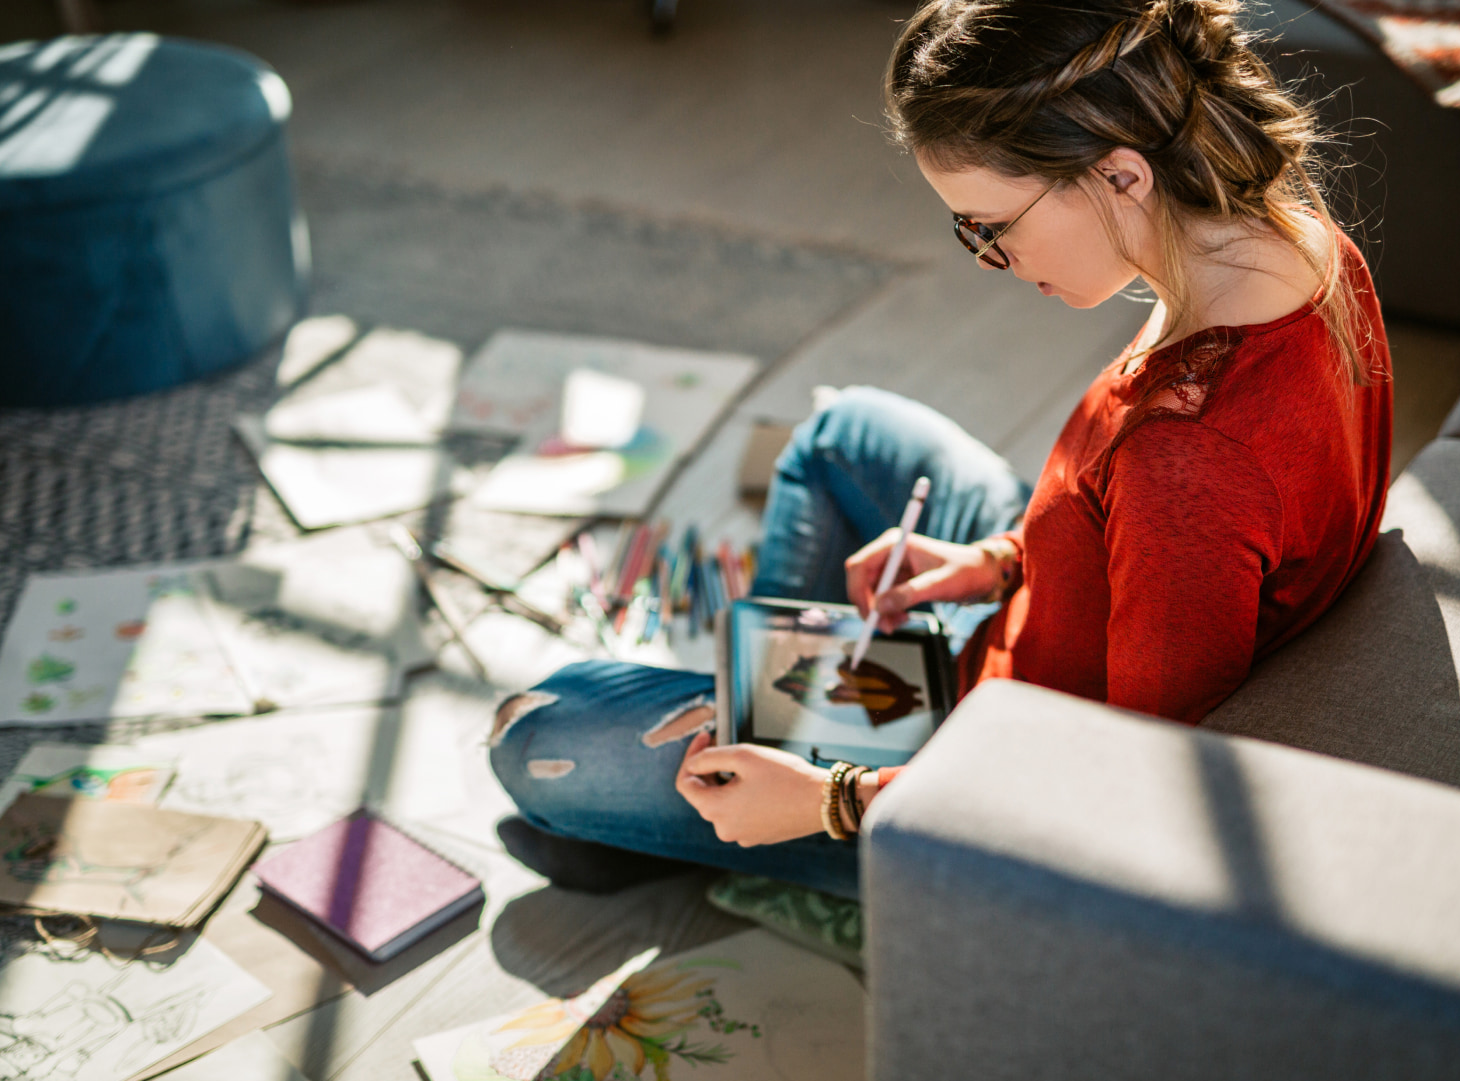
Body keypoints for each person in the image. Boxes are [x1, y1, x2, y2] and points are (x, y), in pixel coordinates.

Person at [490, 0, 1392, 901]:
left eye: (990, 225)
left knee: (535, 737)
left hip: (997, 767)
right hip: (1035, 620)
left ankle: (761, 789)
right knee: (844, 433)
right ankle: (757, 744)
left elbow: (1127, 788)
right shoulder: (1292, 246)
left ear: (1121, 176)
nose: (984, 257)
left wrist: (834, 802)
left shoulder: (1189, 459)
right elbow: (1198, 541)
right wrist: (999, 562)